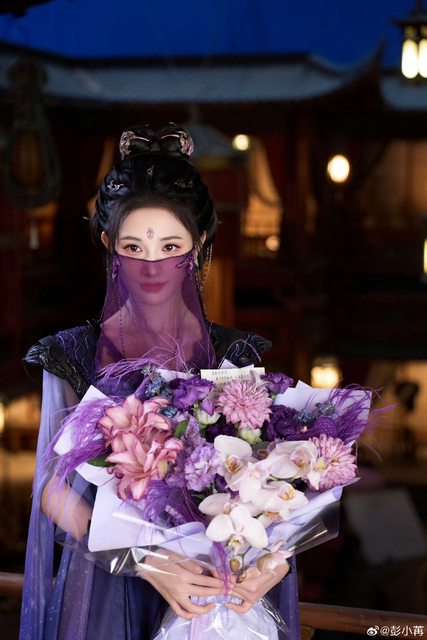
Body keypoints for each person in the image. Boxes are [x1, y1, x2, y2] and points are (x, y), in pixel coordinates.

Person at [20, 124, 301, 640]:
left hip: (216, 584)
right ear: (109, 245)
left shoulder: (234, 354)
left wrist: (273, 560)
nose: (152, 265)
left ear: (198, 244)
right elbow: (51, 488)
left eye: (170, 245)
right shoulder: (72, 353)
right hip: (109, 585)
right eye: (133, 246)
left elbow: (265, 474)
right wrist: (142, 559)